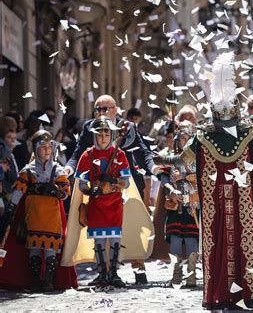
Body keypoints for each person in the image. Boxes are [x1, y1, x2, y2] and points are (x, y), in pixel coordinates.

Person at [154, 52, 253, 309]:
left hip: (224, 204)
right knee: (232, 244)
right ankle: (238, 295)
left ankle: (233, 294)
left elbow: (181, 160)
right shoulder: (238, 135)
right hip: (232, 204)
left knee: (226, 245)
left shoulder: (221, 135)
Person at [64, 94, 158, 284]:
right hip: (97, 187)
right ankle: (103, 272)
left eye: (106, 108)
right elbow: (78, 152)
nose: (102, 112)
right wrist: (69, 167)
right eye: (98, 109)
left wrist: (153, 168)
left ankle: (138, 268)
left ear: (115, 109)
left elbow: (143, 151)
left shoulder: (127, 127)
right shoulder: (89, 127)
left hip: (127, 181)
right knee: (100, 233)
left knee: (134, 225)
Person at [0, 130, 77, 292]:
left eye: (49, 147)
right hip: (33, 216)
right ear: (35, 149)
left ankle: (48, 280)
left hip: (51, 218)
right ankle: (36, 280)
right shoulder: (28, 170)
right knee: (34, 250)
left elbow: (65, 194)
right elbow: (18, 191)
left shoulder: (57, 170)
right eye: (43, 147)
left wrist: (55, 190)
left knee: (50, 250)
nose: (47, 150)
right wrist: (11, 208)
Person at [74, 116, 131, 287]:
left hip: (114, 203)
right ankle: (102, 273)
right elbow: (82, 184)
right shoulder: (87, 156)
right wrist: (93, 189)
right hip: (96, 204)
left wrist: (113, 181)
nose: (103, 138)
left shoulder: (120, 154)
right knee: (99, 241)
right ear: (95, 136)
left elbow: (126, 182)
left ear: (111, 135)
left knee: (114, 240)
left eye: (107, 134)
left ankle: (113, 273)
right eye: (100, 135)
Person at [160, 121, 199, 287]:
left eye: (186, 138)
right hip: (176, 205)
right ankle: (176, 275)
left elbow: (203, 178)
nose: (184, 141)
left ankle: (191, 275)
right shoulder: (172, 155)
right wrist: (171, 190)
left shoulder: (199, 157)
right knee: (175, 239)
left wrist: (183, 177)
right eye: (181, 138)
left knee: (191, 239)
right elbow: (163, 178)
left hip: (192, 203)